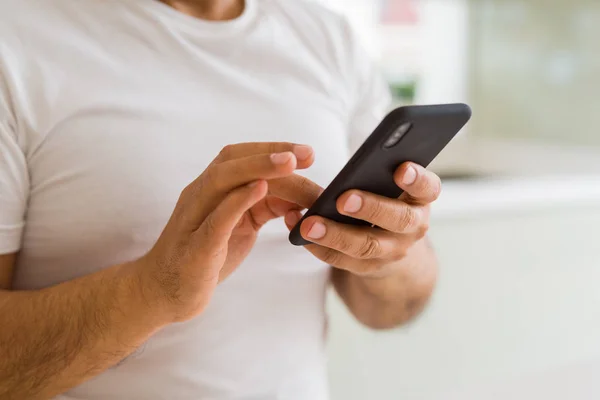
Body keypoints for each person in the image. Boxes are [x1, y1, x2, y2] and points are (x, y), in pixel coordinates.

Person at [0, 0, 441, 399]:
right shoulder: (17, 40)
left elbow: (389, 309)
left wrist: (391, 252)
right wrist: (151, 292)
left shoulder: (329, 39)